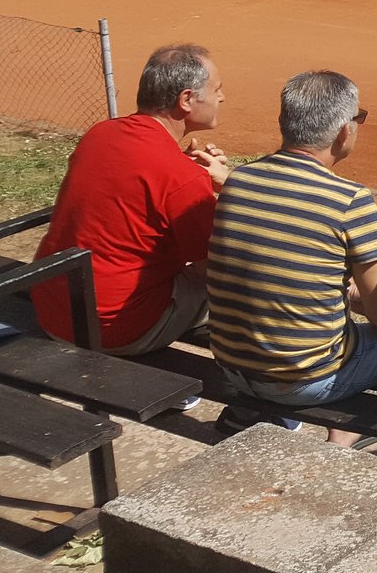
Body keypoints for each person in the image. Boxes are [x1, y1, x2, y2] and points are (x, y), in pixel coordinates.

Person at [207, 71, 377, 452]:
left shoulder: (239, 181)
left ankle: (332, 429)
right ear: (344, 131)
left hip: (234, 369)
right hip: (305, 382)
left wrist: (347, 294)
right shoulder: (349, 200)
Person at [32, 43, 229, 355]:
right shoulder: (180, 177)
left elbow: (138, 180)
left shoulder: (100, 134)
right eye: (216, 90)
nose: (222, 97)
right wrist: (227, 186)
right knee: (238, 279)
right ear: (186, 100)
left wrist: (185, 169)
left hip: (53, 309)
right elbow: (222, 257)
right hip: (116, 329)